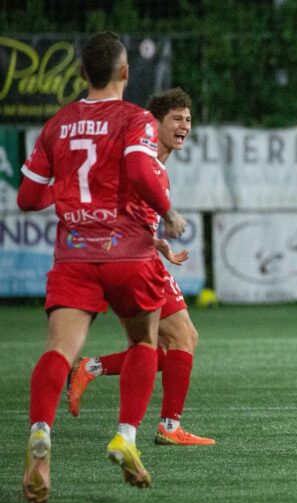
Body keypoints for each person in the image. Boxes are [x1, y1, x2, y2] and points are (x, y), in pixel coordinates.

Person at [17, 32, 187, 503]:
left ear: (80, 74)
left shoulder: (57, 124)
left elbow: (28, 197)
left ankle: (40, 432)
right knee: (143, 343)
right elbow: (139, 171)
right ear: (125, 72)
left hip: (75, 252)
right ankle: (126, 436)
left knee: (58, 349)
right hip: (127, 252)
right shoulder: (135, 119)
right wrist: (169, 212)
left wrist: (67, 192)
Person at [67, 88, 215, 446]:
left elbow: (129, 211)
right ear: (155, 123)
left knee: (165, 346)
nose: (185, 126)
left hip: (139, 254)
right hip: (131, 260)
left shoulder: (155, 165)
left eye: (188, 120)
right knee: (182, 338)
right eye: (177, 119)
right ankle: (168, 427)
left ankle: (90, 367)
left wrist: (156, 241)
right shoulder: (142, 161)